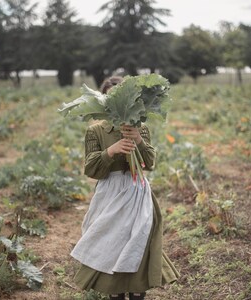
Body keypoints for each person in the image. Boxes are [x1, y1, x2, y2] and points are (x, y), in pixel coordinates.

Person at [70, 76, 180, 300]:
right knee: (112, 244)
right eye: (111, 97)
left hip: (136, 190)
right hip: (110, 193)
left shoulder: (139, 127)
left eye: (121, 95)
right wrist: (111, 151)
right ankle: (116, 293)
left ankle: (138, 291)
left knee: (138, 240)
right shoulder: (96, 131)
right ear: (103, 101)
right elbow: (91, 169)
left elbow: (148, 163)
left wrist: (138, 140)